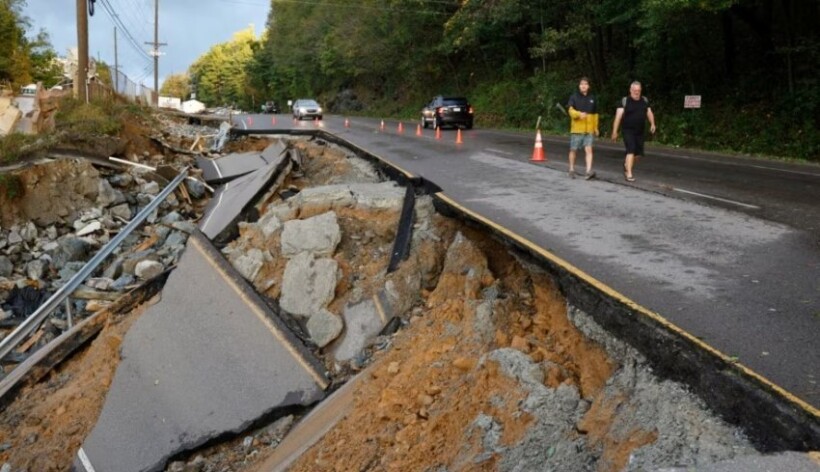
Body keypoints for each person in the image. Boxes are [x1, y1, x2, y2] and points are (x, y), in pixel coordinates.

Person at [611, 81, 656, 182]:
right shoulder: (625, 101)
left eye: (638, 91)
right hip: (628, 130)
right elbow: (617, 117)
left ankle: (627, 164)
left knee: (638, 155)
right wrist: (615, 131)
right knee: (631, 149)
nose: (636, 92)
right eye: (634, 90)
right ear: (630, 90)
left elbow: (649, 112)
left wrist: (653, 123)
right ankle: (629, 174)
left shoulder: (644, 100)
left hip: (640, 131)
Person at [567, 77, 599, 180]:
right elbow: (570, 110)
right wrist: (578, 114)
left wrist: (595, 127)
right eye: (581, 84)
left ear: (588, 86)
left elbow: (595, 114)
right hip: (577, 129)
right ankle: (571, 169)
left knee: (589, 149)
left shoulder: (592, 98)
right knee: (573, 150)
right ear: (579, 86)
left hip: (589, 130)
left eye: (585, 84)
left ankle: (588, 171)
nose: (583, 86)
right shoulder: (574, 97)